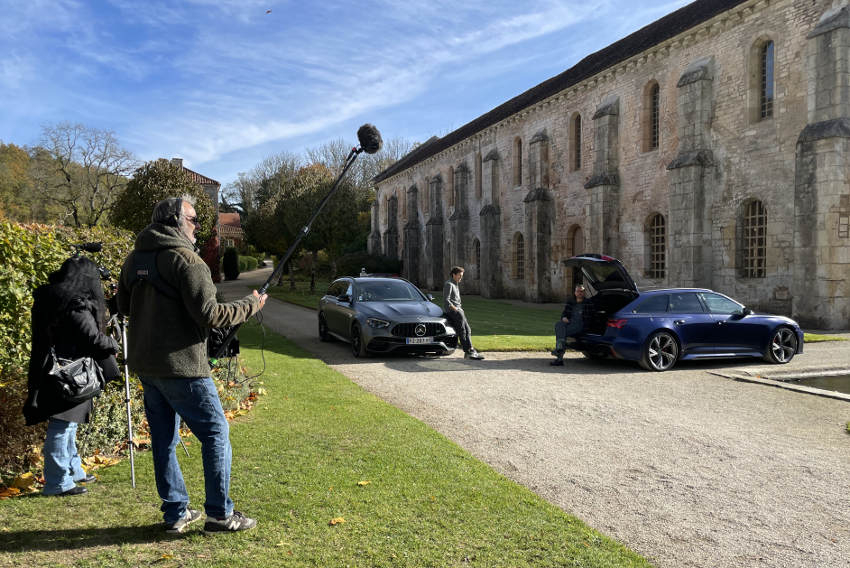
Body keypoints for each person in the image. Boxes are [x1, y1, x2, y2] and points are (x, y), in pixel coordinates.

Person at [117, 195, 267, 534]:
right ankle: (219, 514)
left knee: (164, 440)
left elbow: (125, 308)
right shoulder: (188, 261)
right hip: (183, 368)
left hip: (148, 367)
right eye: (194, 219)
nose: (199, 225)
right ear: (174, 221)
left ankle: (176, 514)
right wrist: (251, 304)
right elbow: (212, 315)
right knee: (216, 433)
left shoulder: (133, 260)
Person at [25, 256, 120, 496]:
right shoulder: (76, 305)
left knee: (68, 425)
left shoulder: (50, 299)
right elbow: (93, 339)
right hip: (72, 375)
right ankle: (58, 482)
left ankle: (74, 471)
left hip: (52, 370)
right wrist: (115, 343)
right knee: (62, 426)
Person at [443, 266, 484, 360]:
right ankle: (468, 351)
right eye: (459, 276)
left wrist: (460, 309)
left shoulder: (455, 284)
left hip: (459, 310)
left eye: (462, 276)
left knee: (468, 330)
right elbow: (446, 301)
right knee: (462, 331)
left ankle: (470, 350)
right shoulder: (449, 284)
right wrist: (456, 310)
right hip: (453, 311)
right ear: (454, 274)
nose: (461, 278)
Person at [551, 284, 590, 366]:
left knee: (561, 334)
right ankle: (559, 350)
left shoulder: (588, 303)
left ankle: (559, 357)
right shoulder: (571, 302)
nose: (580, 293)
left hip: (581, 325)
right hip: (570, 323)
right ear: (575, 292)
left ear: (584, 293)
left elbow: (590, 318)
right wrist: (564, 318)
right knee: (559, 325)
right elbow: (563, 314)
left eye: (582, 291)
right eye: (578, 291)